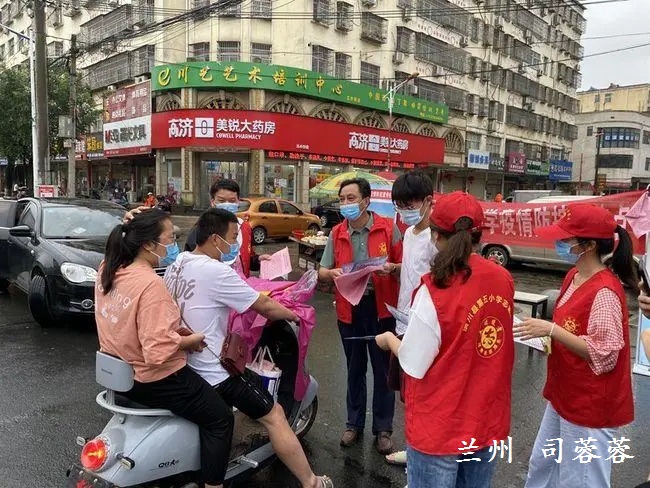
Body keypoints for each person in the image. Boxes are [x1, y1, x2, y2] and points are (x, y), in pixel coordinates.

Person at [163, 208, 333, 488]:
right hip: (216, 370)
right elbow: (263, 305)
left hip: (185, 364)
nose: (234, 244)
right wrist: (293, 315)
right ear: (215, 239)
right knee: (275, 415)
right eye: (233, 237)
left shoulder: (178, 263)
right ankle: (311, 481)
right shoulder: (216, 270)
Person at [375, 191, 515, 488]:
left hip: (440, 424)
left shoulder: (436, 288)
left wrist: (389, 340)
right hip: (484, 419)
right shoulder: (502, 279)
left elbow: (413, 362)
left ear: (436, 236)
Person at [95, 209, 233, 488]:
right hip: (155, 379)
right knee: (221, 418)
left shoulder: (108, 269)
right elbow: (157, 351)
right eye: (170, 239)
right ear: (148, 244)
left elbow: (135, 327)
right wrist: (190, 341)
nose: (173, 245)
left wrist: (173, 334)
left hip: (122, 377)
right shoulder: (150, 285)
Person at [514, 203, 636, 488]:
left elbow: (604, 353)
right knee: (543, 464)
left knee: (581, 479)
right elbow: (570, 328)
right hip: (565, 393)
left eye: (566, 239)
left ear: (589, 245)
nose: (559, 243)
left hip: (590, 403)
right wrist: (545, 336)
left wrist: (552, 330)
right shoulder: (573, 276)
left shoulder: (604, 290)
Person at [318, 177, 402, 454]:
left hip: (381, 310)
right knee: (354, 369)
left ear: (366, 200)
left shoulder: (388, 228)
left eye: (351, 198)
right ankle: (353, 423)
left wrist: (392, 268)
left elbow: (405, 265)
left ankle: (383, 428)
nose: (346, 204)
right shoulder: (337, 233)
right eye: (342, 199)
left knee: (383, 370)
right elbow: (322, 270)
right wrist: (331, 273)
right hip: (350, 310)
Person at [385, 171, 437, 467]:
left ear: (429, 201)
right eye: (399, 205)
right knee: (407, 392)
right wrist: (395, 268)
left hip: (426, 325)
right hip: (403, 319)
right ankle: (414, 446)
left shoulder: (437, 238)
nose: (405, 211)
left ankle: (424, 453)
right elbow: (413, 271)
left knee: (425, 391)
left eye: (409, 204)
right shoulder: (409, 233)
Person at [184, 179, 270, 277]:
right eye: (221, 201)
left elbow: (247, 258)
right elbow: (191, 264)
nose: (227, 204)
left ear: (238, 202)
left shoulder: (245, 227)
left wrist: (258, 260)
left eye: (232, 201)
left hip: (240, 283)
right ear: (213, 202)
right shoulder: (201, 228)